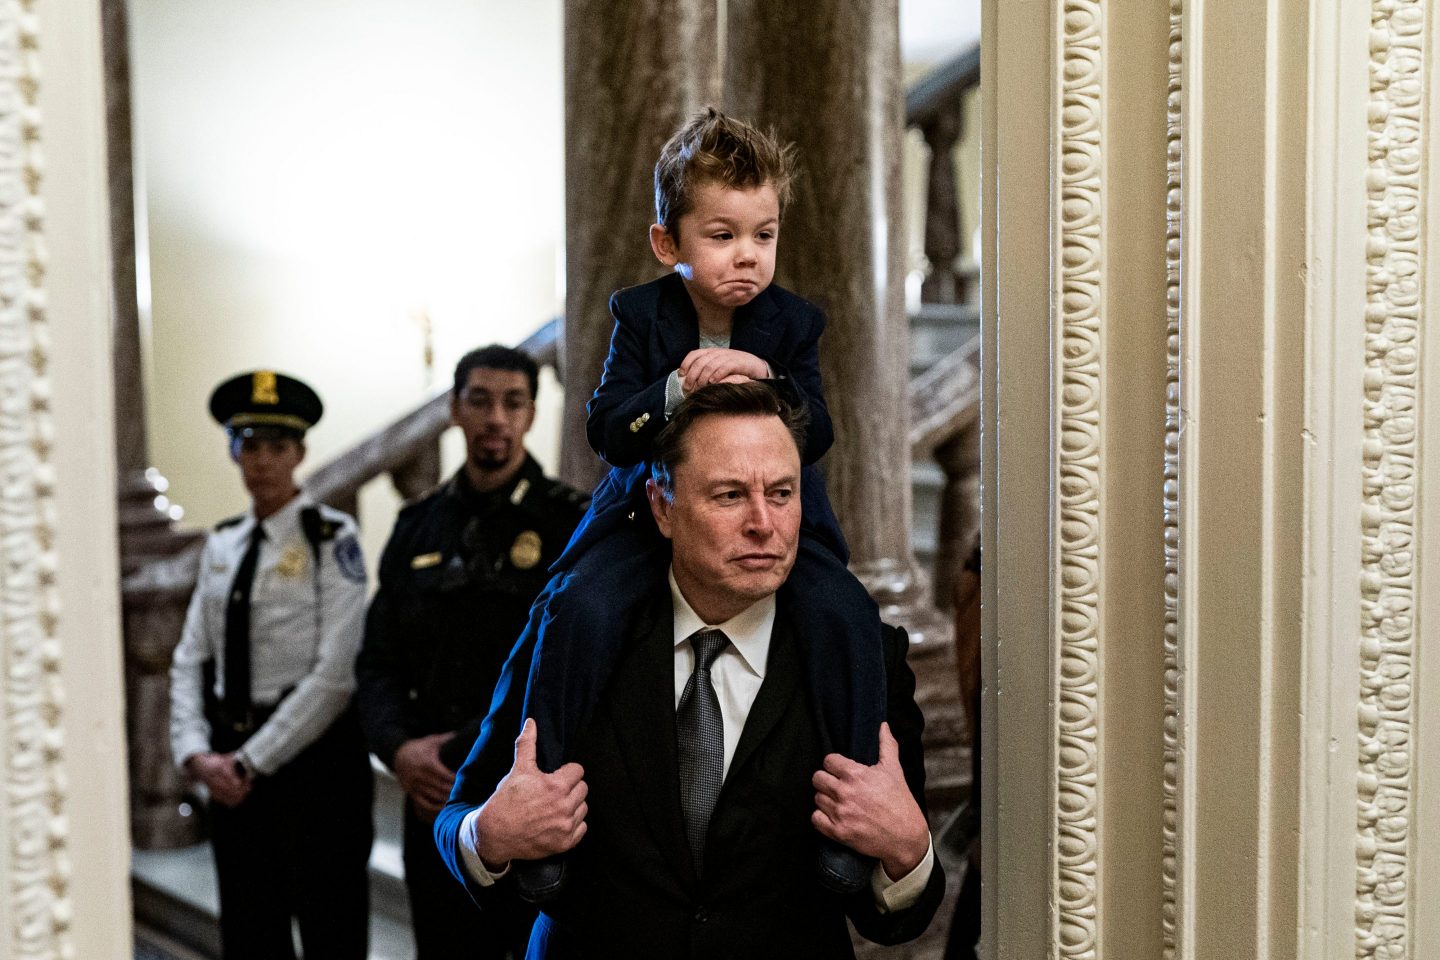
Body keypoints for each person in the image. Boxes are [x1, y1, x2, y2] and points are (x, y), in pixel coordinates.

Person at [513, 108, 886, 898]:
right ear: (668, 243)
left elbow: (816, 431)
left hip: (775, 514)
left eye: (764, 234)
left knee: (848, 615)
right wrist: (677, 385)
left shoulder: (791, 322)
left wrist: (771, 382)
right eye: (722, 236)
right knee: (577, 610)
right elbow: (610, 429)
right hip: (642, 514)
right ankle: (542, 805)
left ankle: (853, 819)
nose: (747, 256)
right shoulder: (641, 317)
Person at [434, 382, 944, 958]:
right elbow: (458, 816)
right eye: (728, 495)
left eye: (781, 493)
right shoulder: (575, 633)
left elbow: (900, 916)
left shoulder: (859, 654)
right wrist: (488, 837)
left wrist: (907, 852)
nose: (763, 523)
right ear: (662, 506)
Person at [357, 345, 588, 960]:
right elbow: (377, 659)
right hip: (433, 793)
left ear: (532, 415)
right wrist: (399, 749)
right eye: (480, 400)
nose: (496, 418)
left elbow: (578, 671)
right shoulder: (418, 527)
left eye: (513, 403)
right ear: (455, 410)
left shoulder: (573, 524)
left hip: (530, 789)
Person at [169, 370, 372, 960]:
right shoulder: (224, 543)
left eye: (276, 447)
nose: (261, 462)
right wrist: (193, 750)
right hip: (233, 773)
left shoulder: (332, 539)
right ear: (234, 451)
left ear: (300, 453)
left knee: (330, 931)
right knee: (250, 935)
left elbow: (335, 674)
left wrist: (249, 762)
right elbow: (189, 658)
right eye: (248, 446)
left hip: (314, 772)